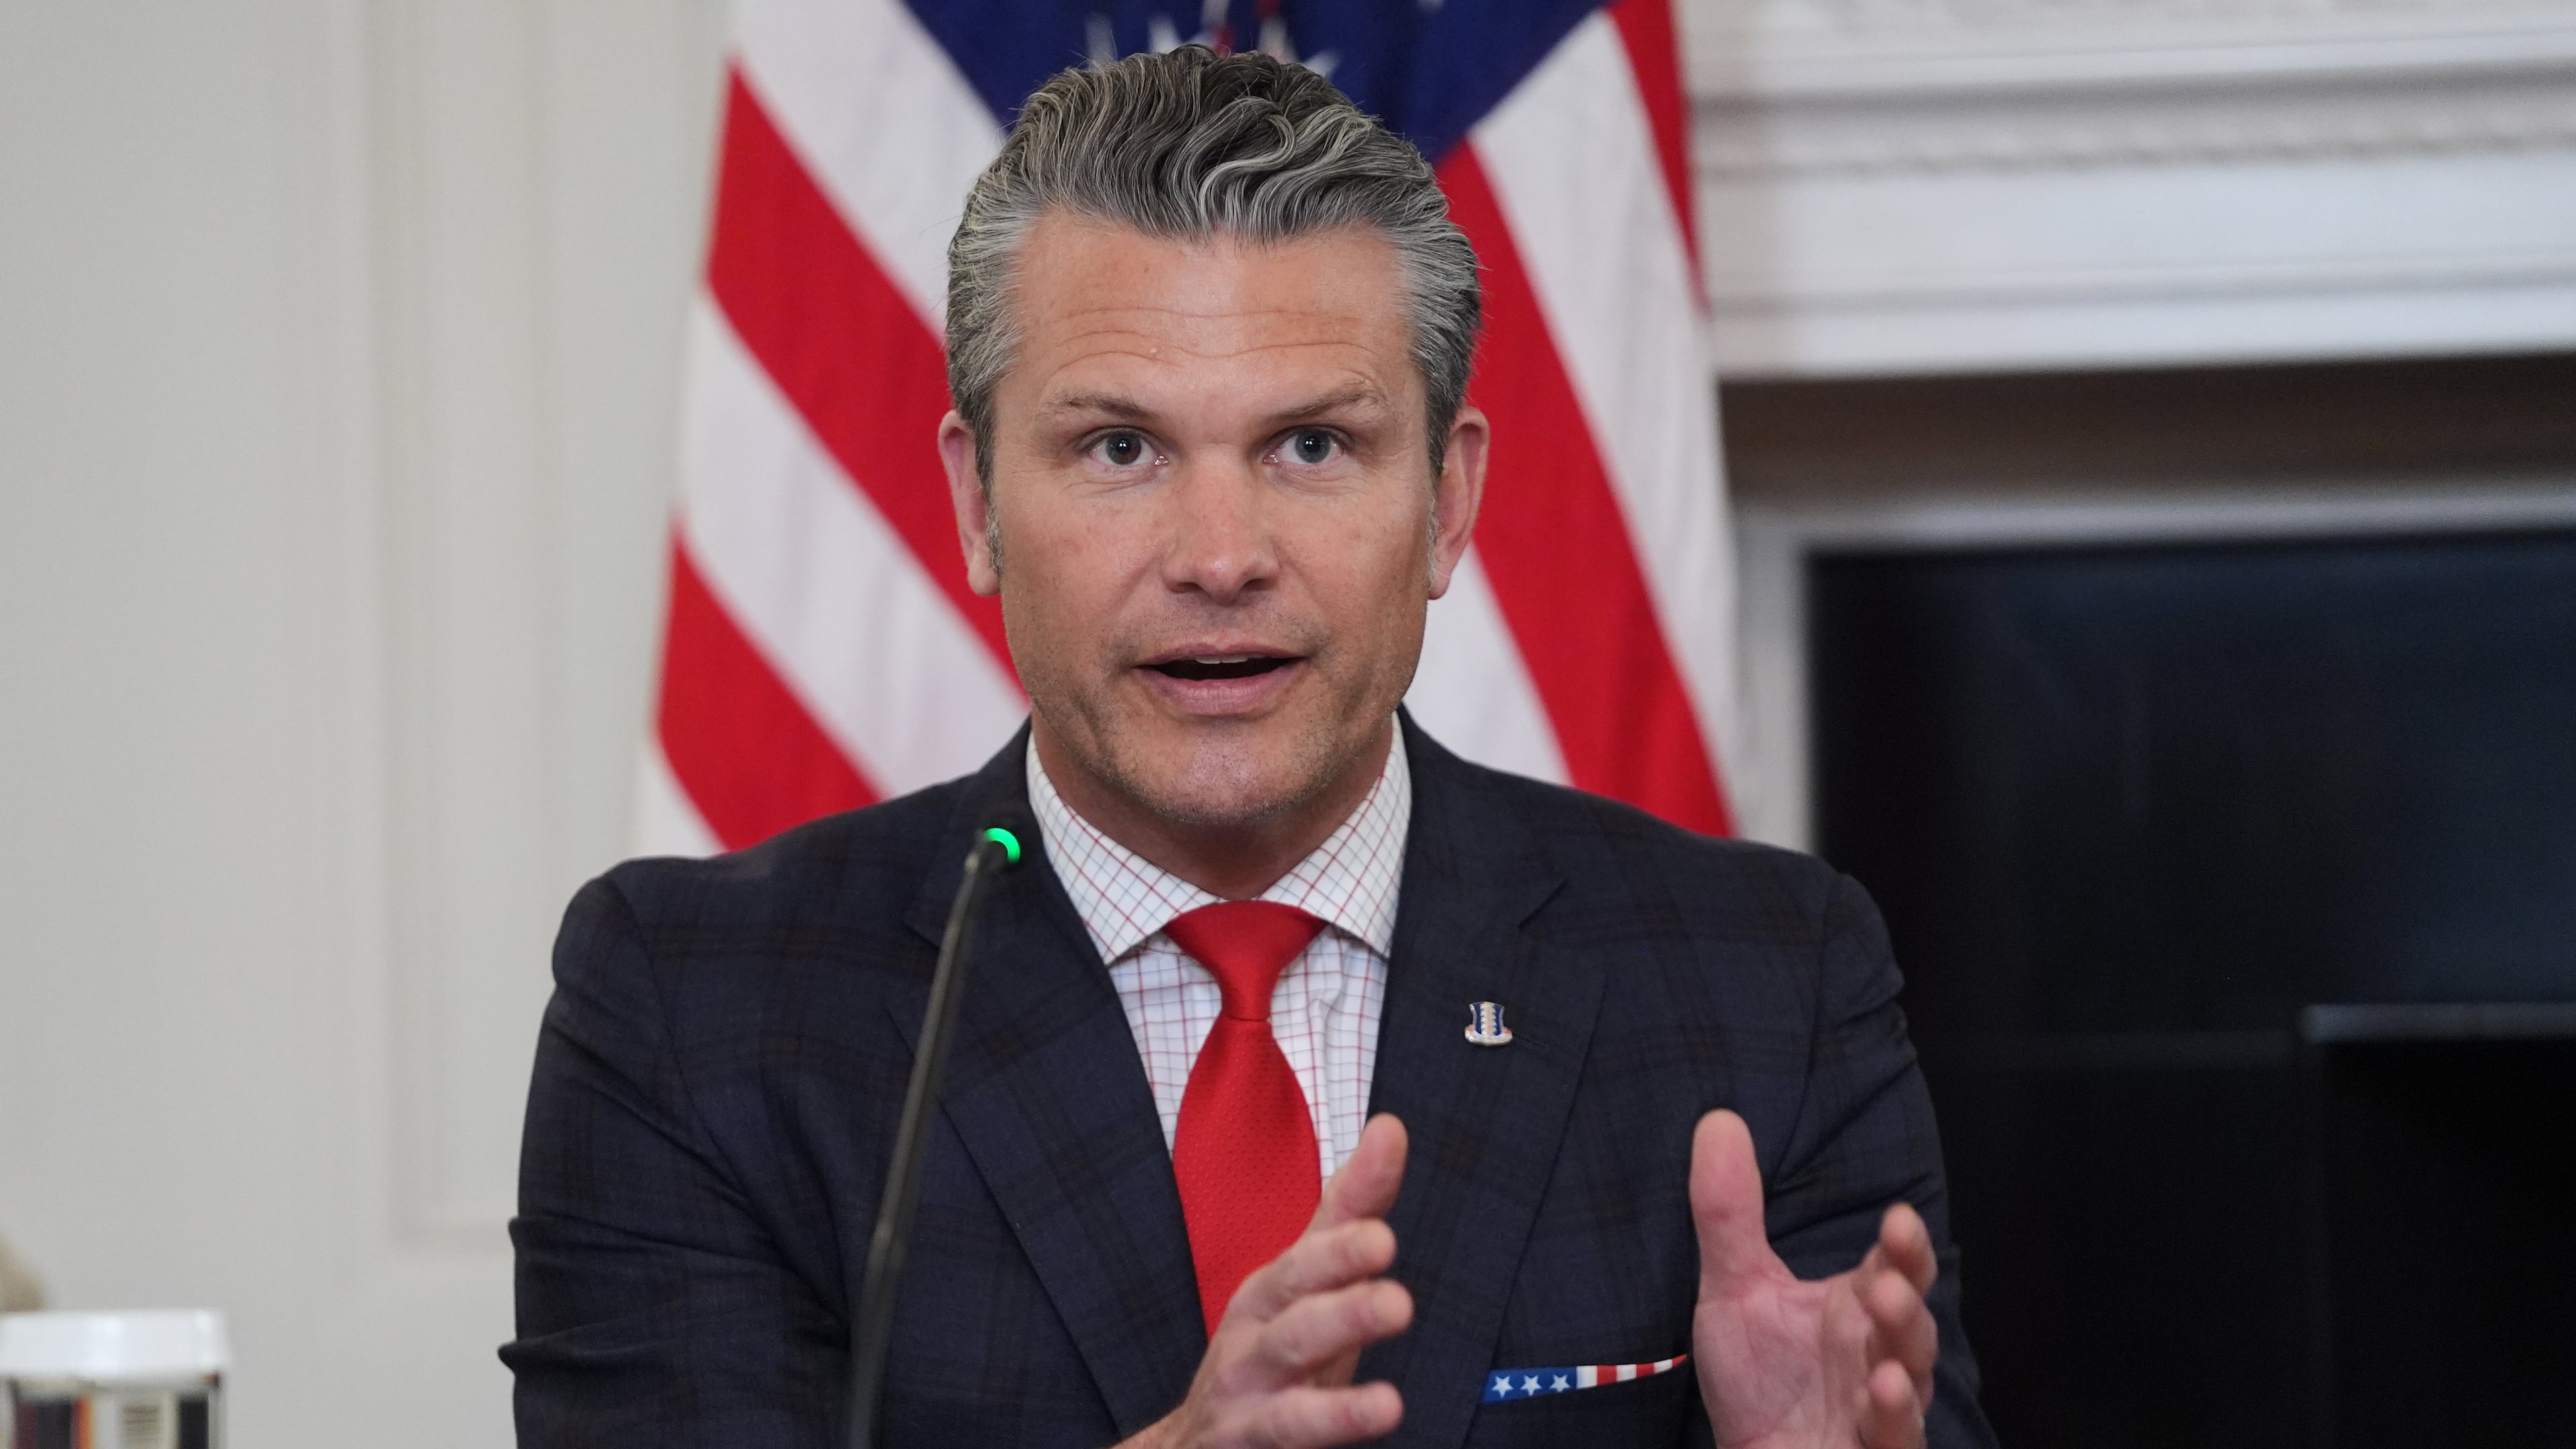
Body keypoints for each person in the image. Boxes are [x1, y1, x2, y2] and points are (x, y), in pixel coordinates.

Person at [505, 47, 1996, 1449]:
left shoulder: (1761, 979)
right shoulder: (698, 1011)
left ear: (1449, 504)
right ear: (974, 506)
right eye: (1120, 449)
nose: (1221, 557)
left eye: (1311, 446)